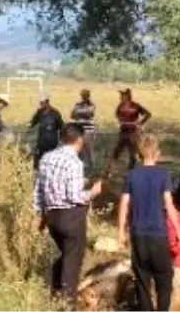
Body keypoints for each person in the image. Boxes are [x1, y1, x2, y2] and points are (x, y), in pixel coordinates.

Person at [33, 124, 103, 305]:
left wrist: (40, 215)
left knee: (65, 255)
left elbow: (39, 190)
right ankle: (67, 302)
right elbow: (74, 196)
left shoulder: (47, 158)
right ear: (80, 139)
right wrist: (93, 192)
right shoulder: (74, 162)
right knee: (73, 261)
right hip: (71, 216)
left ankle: (55, 294)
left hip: (52, 216)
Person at [117, 133, 180, 312]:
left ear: (138, 154)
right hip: (158, 235)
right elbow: (169, 204)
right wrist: (178, 230)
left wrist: (121, 232)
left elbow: (124, 204)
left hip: (138, 235)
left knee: (142, 279)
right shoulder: (163, 174)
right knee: (164, 277)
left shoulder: (131, 175)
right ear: (158, 153)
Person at [108, 89, 151, 174]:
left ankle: (143, 169)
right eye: (120, 96)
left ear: (127, 96)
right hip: (123, 132)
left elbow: (148, 114)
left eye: (122, 96)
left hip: (133, 133)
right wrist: (122, 121)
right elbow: (117, 113)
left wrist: (140, 123)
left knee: (134, 153)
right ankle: (109, 172)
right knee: (117, 152)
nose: (120, 97)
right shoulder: (120, 106)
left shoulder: (135, 106)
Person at [31, 98, 66, 169]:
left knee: (51, 161)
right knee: (40, 161)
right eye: (40, 103)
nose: (41, 105)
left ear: (47, 103)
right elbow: (32, 123)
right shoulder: (39, 112)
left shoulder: (55, 113)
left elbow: (61, 126)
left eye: (42, 103)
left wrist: (63, 139)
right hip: (41, 142)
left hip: (52, 142)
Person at [70, 89, 97, 175]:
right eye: (82, 95)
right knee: (79, 149)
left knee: (88, 149)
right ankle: (81, 168)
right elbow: (72, 115)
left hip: (88, 130)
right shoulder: (77, 104)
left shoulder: (91, 105)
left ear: (88, 96)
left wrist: (78, 113)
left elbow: (90, 113)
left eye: (85, 95)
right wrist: (83, 112)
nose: (83, 96)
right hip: (79, 130)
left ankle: (92, 169)